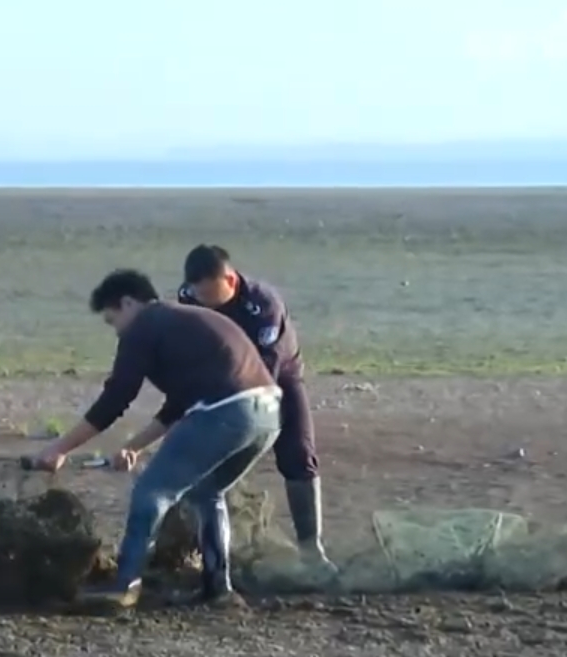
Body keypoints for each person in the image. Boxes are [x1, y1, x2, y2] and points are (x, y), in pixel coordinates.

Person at [25, 268, 282, 610]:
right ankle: (218, 589)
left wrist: (59, 448)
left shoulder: (144, 325)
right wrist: (134, 445)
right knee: (208, 493)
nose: (116, 330)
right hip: (268, 413)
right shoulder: (182, 321)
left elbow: (117, 396)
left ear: (129, 303)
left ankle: (125, 586)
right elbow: (179, 403)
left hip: (226, 411)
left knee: (152, 491)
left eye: (111, 320)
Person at [176, 244, 335, 574]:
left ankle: (311, 549)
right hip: (218, 371)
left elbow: (262, 375)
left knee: (298, 454)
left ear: (230, 281)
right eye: (197, 295)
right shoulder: (188, 298)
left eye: (210, 296)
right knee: (197, 458)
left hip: (277, 376)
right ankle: (197, 546)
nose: (203, 303)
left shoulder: (262, 306)